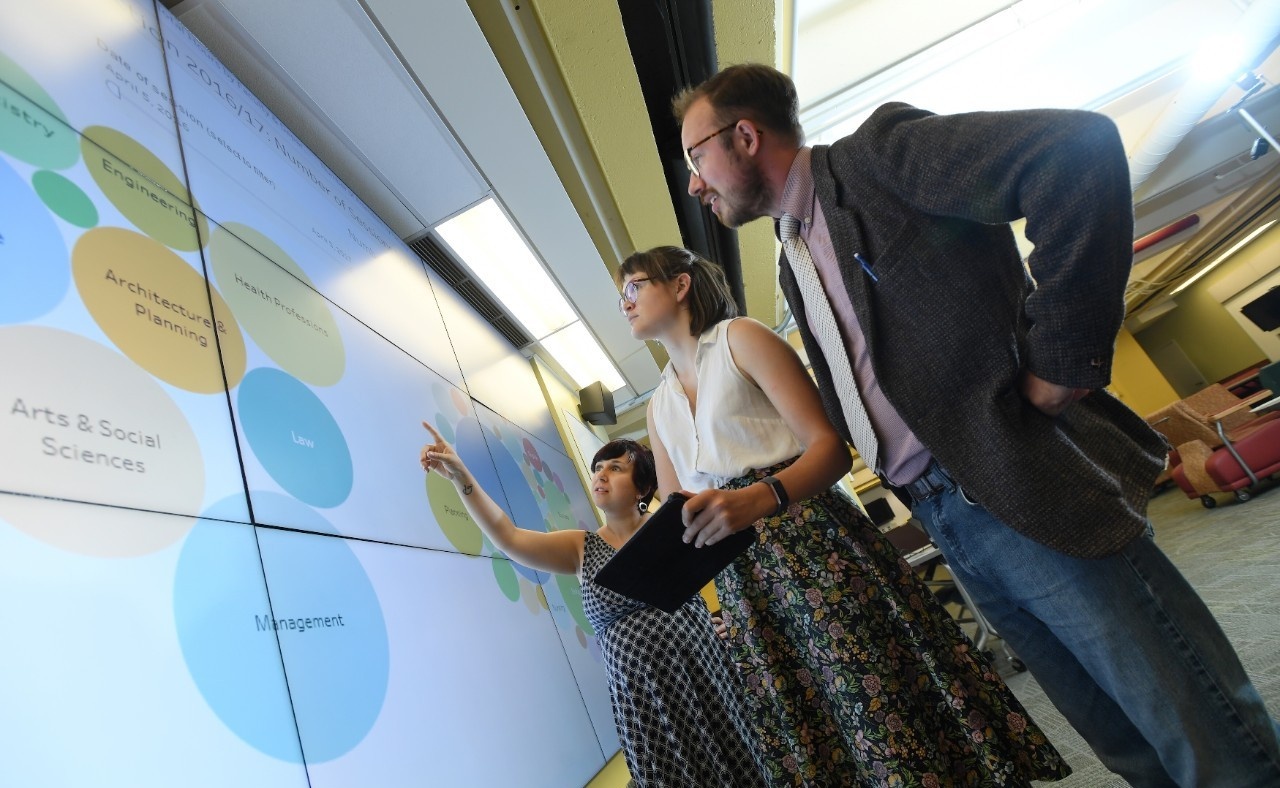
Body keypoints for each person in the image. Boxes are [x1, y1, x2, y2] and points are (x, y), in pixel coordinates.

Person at [673, 63, 1280, 787]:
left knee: (1193, 725)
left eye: (694, 157)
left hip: (1013, 475)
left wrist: (1062, 358)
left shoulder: (875, 160)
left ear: (745, 136)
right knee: (1123, 744)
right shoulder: (792, 257)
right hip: (942, 515)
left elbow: (1074, 152)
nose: (694, 184)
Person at [619, 245, 1069, 786]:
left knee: (874, 684)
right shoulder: (658, 404)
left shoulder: (741, 338)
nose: (625, 302)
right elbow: (678, 515)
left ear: (680, 284)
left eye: (634, 286)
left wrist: (760, 497)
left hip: (810, 541)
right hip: (745, 579)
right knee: (815, 717)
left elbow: (830, 449)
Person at [418, 423, 767, 788]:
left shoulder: (672, 526)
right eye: (598, 468)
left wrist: (722, 622)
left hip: (702, 678)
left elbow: (728, 571)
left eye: (615, 468)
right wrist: (461, 476)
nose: (601, 475)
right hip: (644, 702)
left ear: (642, 488)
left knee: (736, 766)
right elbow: (509, 537)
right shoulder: (581, 547)